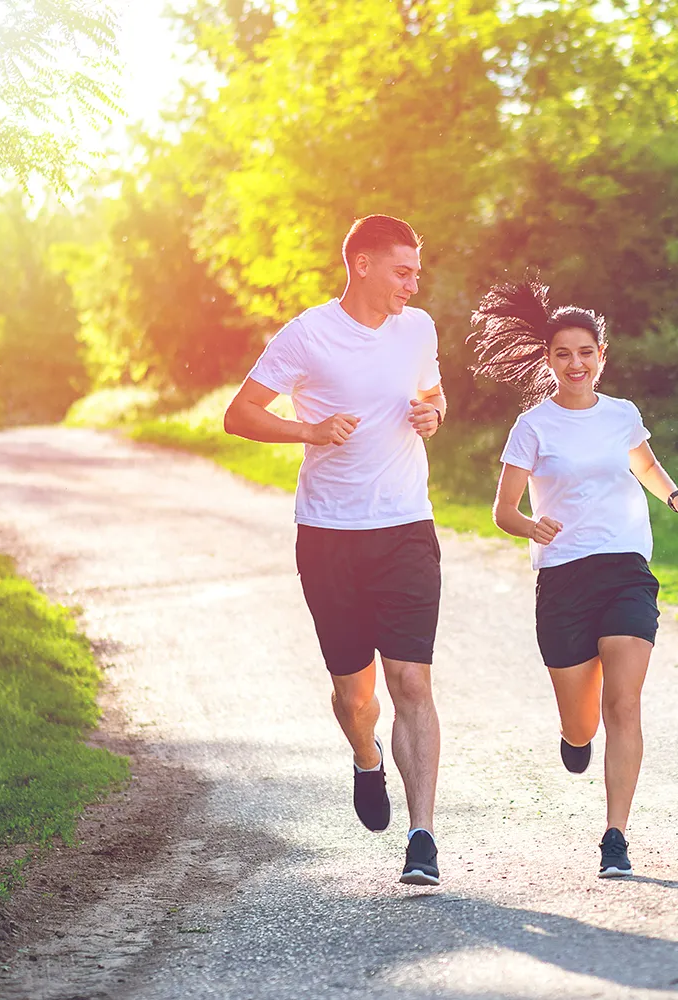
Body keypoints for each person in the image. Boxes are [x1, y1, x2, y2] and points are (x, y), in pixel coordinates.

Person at [223, 214, 447, 886]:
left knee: (411, 681)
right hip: (329, 536)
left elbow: (431, 394)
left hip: (407, 525)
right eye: (402, 270)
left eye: (416, 270)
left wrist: (434, 415)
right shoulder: (308, 334)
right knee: (356, 694)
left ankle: (423, 837)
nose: (414, 282)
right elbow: (240, 413)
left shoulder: (419, 329)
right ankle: (365, 757)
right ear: (363, 265)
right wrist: (309, 429)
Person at [470, 279, 678, 878]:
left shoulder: (622, 415)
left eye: (585, 352)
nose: (575, 363)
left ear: (602, 357)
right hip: (563, 580)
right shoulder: (533, 425)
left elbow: (646, 466)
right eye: (562, 354)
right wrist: (530, 525)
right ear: (548, 362)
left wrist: (676, 497)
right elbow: (503, 511)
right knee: (582, 721)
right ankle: (574, 738)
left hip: (626, 569)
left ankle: (615, 837)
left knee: (623, 704)